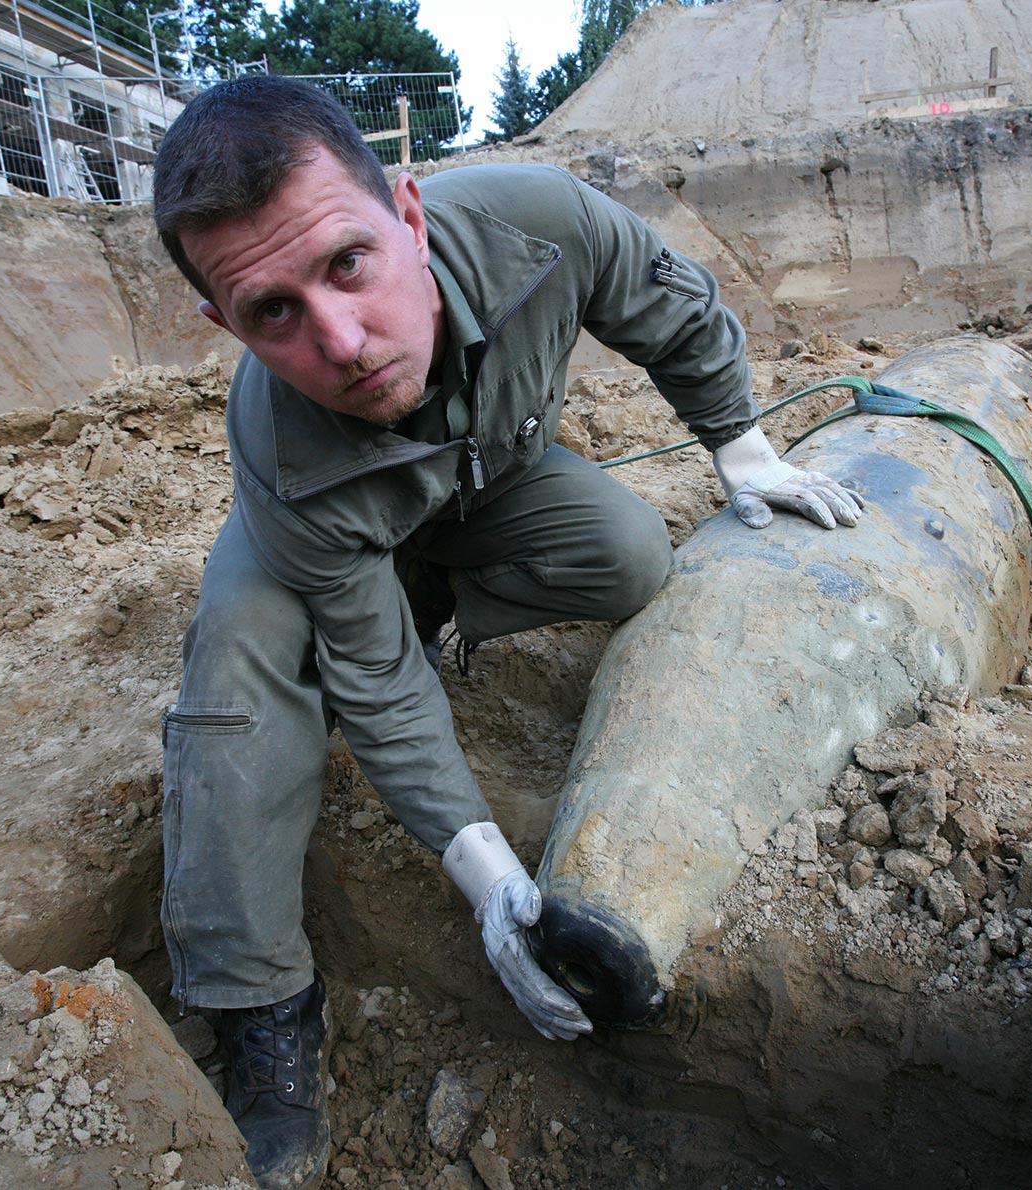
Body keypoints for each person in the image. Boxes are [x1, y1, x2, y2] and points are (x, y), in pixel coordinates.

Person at [152, 75, 863, 1188]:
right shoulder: (280, 444)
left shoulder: (542, 224)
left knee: (630, 550)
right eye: (271, 313)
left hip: (481, 494)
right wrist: (489, 880)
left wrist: (743, 447)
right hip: (327, 536)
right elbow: (381, 685)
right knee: (247, 650)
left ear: (411, 213)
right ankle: (258, 1000)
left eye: (349, 262)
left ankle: (424, 593)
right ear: (222, 324)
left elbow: (664, 301)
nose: (340, 340)